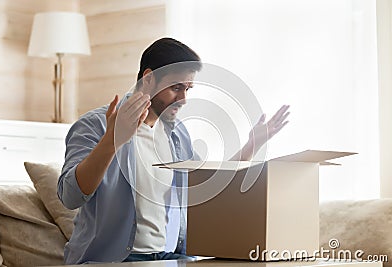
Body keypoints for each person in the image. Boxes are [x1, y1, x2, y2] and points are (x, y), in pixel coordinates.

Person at [57, 37, 290, 264]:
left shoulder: (177, 133)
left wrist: (252, 144)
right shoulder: (95, 125)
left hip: (171, 257)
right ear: (148, 79)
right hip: (111, 260)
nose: (183, 99)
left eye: (188, 89)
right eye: (176, 88)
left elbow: (209, 183)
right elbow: (70, 195)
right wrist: (112, 141)